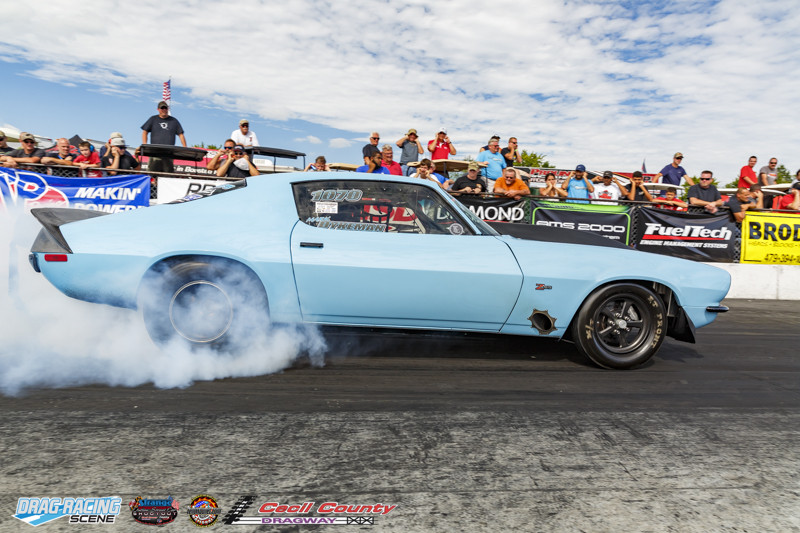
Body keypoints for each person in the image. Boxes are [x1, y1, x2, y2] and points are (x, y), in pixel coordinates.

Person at [141, 100, 187, 173]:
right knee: (151, 173)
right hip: (154, 151)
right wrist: (145, 144)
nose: (164, 110)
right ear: (158, 109)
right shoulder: (153, 119)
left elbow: (181, 134)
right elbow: (144, 132)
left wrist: (185, 147)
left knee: (168, 174)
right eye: (162, 108)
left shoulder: (174, 121)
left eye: (165, 108)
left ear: (168, 109)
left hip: (168, 152)